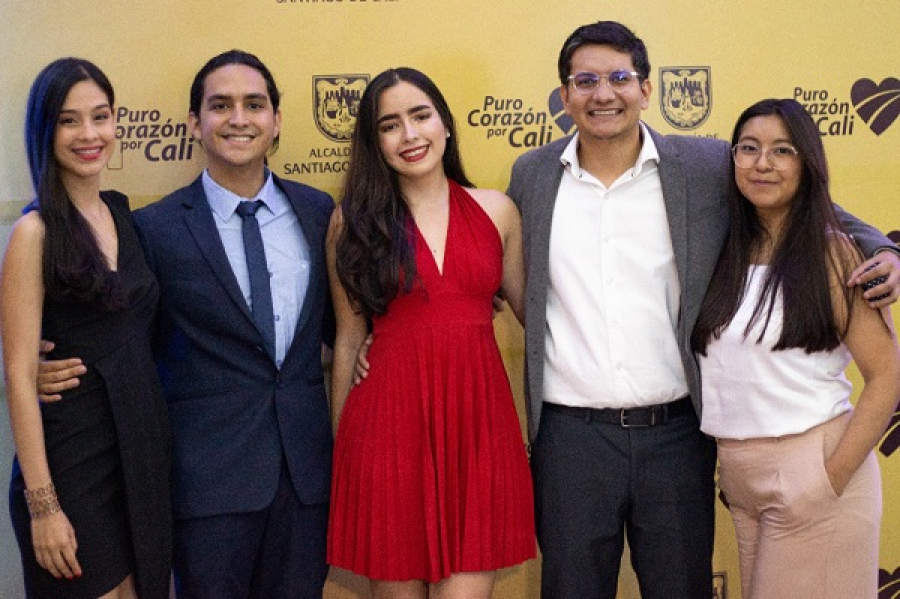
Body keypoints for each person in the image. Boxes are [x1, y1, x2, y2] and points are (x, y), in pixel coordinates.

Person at [505, 21, 900, 599]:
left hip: (677, 434)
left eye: (620, 78)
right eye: (585, 81)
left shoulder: (705, 164)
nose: (603, 93)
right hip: (571, 440)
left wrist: (884, 248)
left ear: (646, 89)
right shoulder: (532, 175)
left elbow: (812, 204)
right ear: (564, 96)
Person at [38, 50, 335, 598]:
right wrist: (38, 365)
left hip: (308, 482)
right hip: (205, 488)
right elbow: (122, 337)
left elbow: (348, 331)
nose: (239, 119)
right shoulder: (151, 228)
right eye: (221, 106)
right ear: (195, 124)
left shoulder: (321, 213)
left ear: (277, 121)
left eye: (255, 105)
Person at [327, 67, 535, 599]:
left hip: (478, 429)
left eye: (420, 116)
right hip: (386, 433)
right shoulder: (351, 222)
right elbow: (348, 339)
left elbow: (535, 318)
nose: (410, 135)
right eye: (389, 125)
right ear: (374, 142)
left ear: (444, 124)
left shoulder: (497, 211)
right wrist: (342, 451)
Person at [692, 98, 900, 599]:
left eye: (782, 150)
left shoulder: (833, 253)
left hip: (813, 470)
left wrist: (829, 479)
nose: (762, 163)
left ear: (807, 163)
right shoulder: (725, 252)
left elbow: (887, 373)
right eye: (748, 148)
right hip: (741, 482)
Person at [2, 58, 172, 599]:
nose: (89, 134)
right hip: (72, 463)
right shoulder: (34, 232)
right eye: (69, 120)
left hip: (140, 453)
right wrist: (43, 506)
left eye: (100, 116)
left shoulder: (125, 217)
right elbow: (19, 377)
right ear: (45, 131)